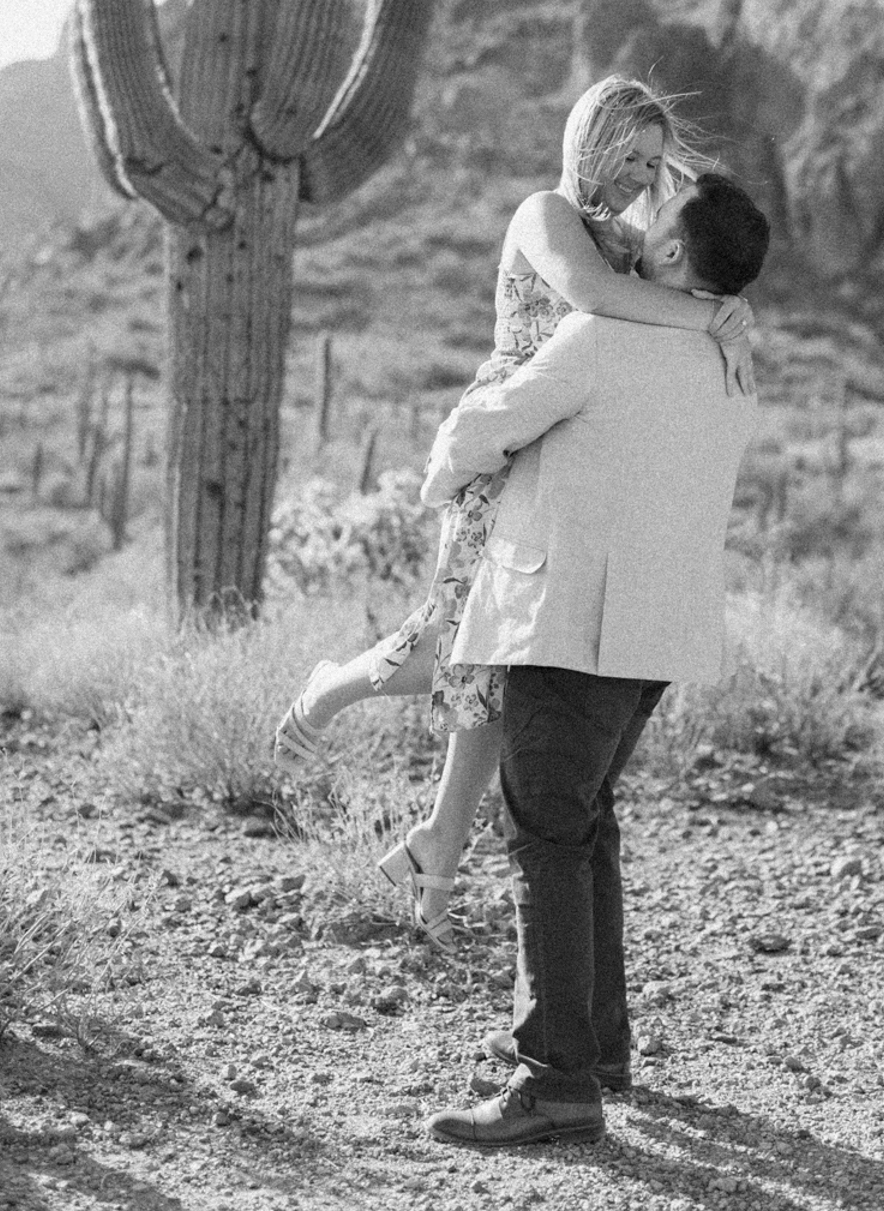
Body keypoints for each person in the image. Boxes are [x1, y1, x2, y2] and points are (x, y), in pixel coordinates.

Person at [273, 76, 754, 953]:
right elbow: (596, 304)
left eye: (654, 163)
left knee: (500, 661)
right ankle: (332, 690)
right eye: (629, 156)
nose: (639, 176)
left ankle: (436, 846)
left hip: (565, 440)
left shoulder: (635, 247)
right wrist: (714, 315)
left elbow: (651, 306)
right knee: (460, 642)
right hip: (505, 439)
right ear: (590, 143)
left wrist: (713, 309)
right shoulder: (549, 217)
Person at [419, 171, 769, 1148]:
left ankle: (557, 1080)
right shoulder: (734, 362)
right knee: (585, 828)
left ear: (667, 257)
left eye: (658, 218)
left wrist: (444, 476)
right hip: (654, 634)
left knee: (543, 839)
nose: (641, 221)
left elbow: (486, 429)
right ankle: (595, 1046)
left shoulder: (604, 337)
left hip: (565, 621)